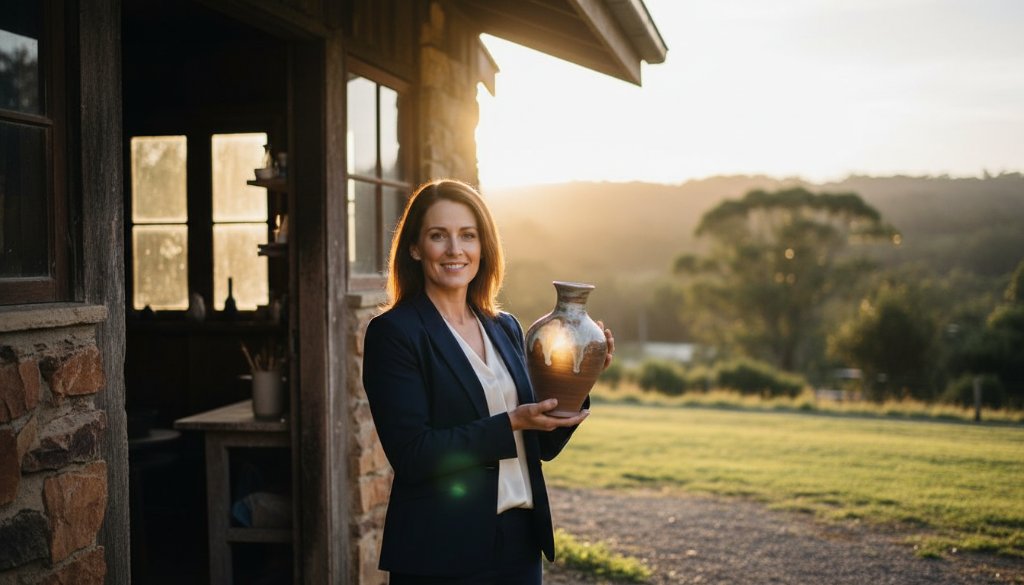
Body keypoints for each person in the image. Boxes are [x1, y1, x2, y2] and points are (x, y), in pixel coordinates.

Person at [362, 179, 614, 584]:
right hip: (440, 551)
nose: (455, 250)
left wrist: (580, 383)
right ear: (414, 247)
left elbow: (541, 445)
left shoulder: (506, 327)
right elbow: (412, 455)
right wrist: (511, 421)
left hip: (519, 545)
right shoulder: (395, 333)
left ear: (483, 246)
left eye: (468, 235)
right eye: (437, 236)